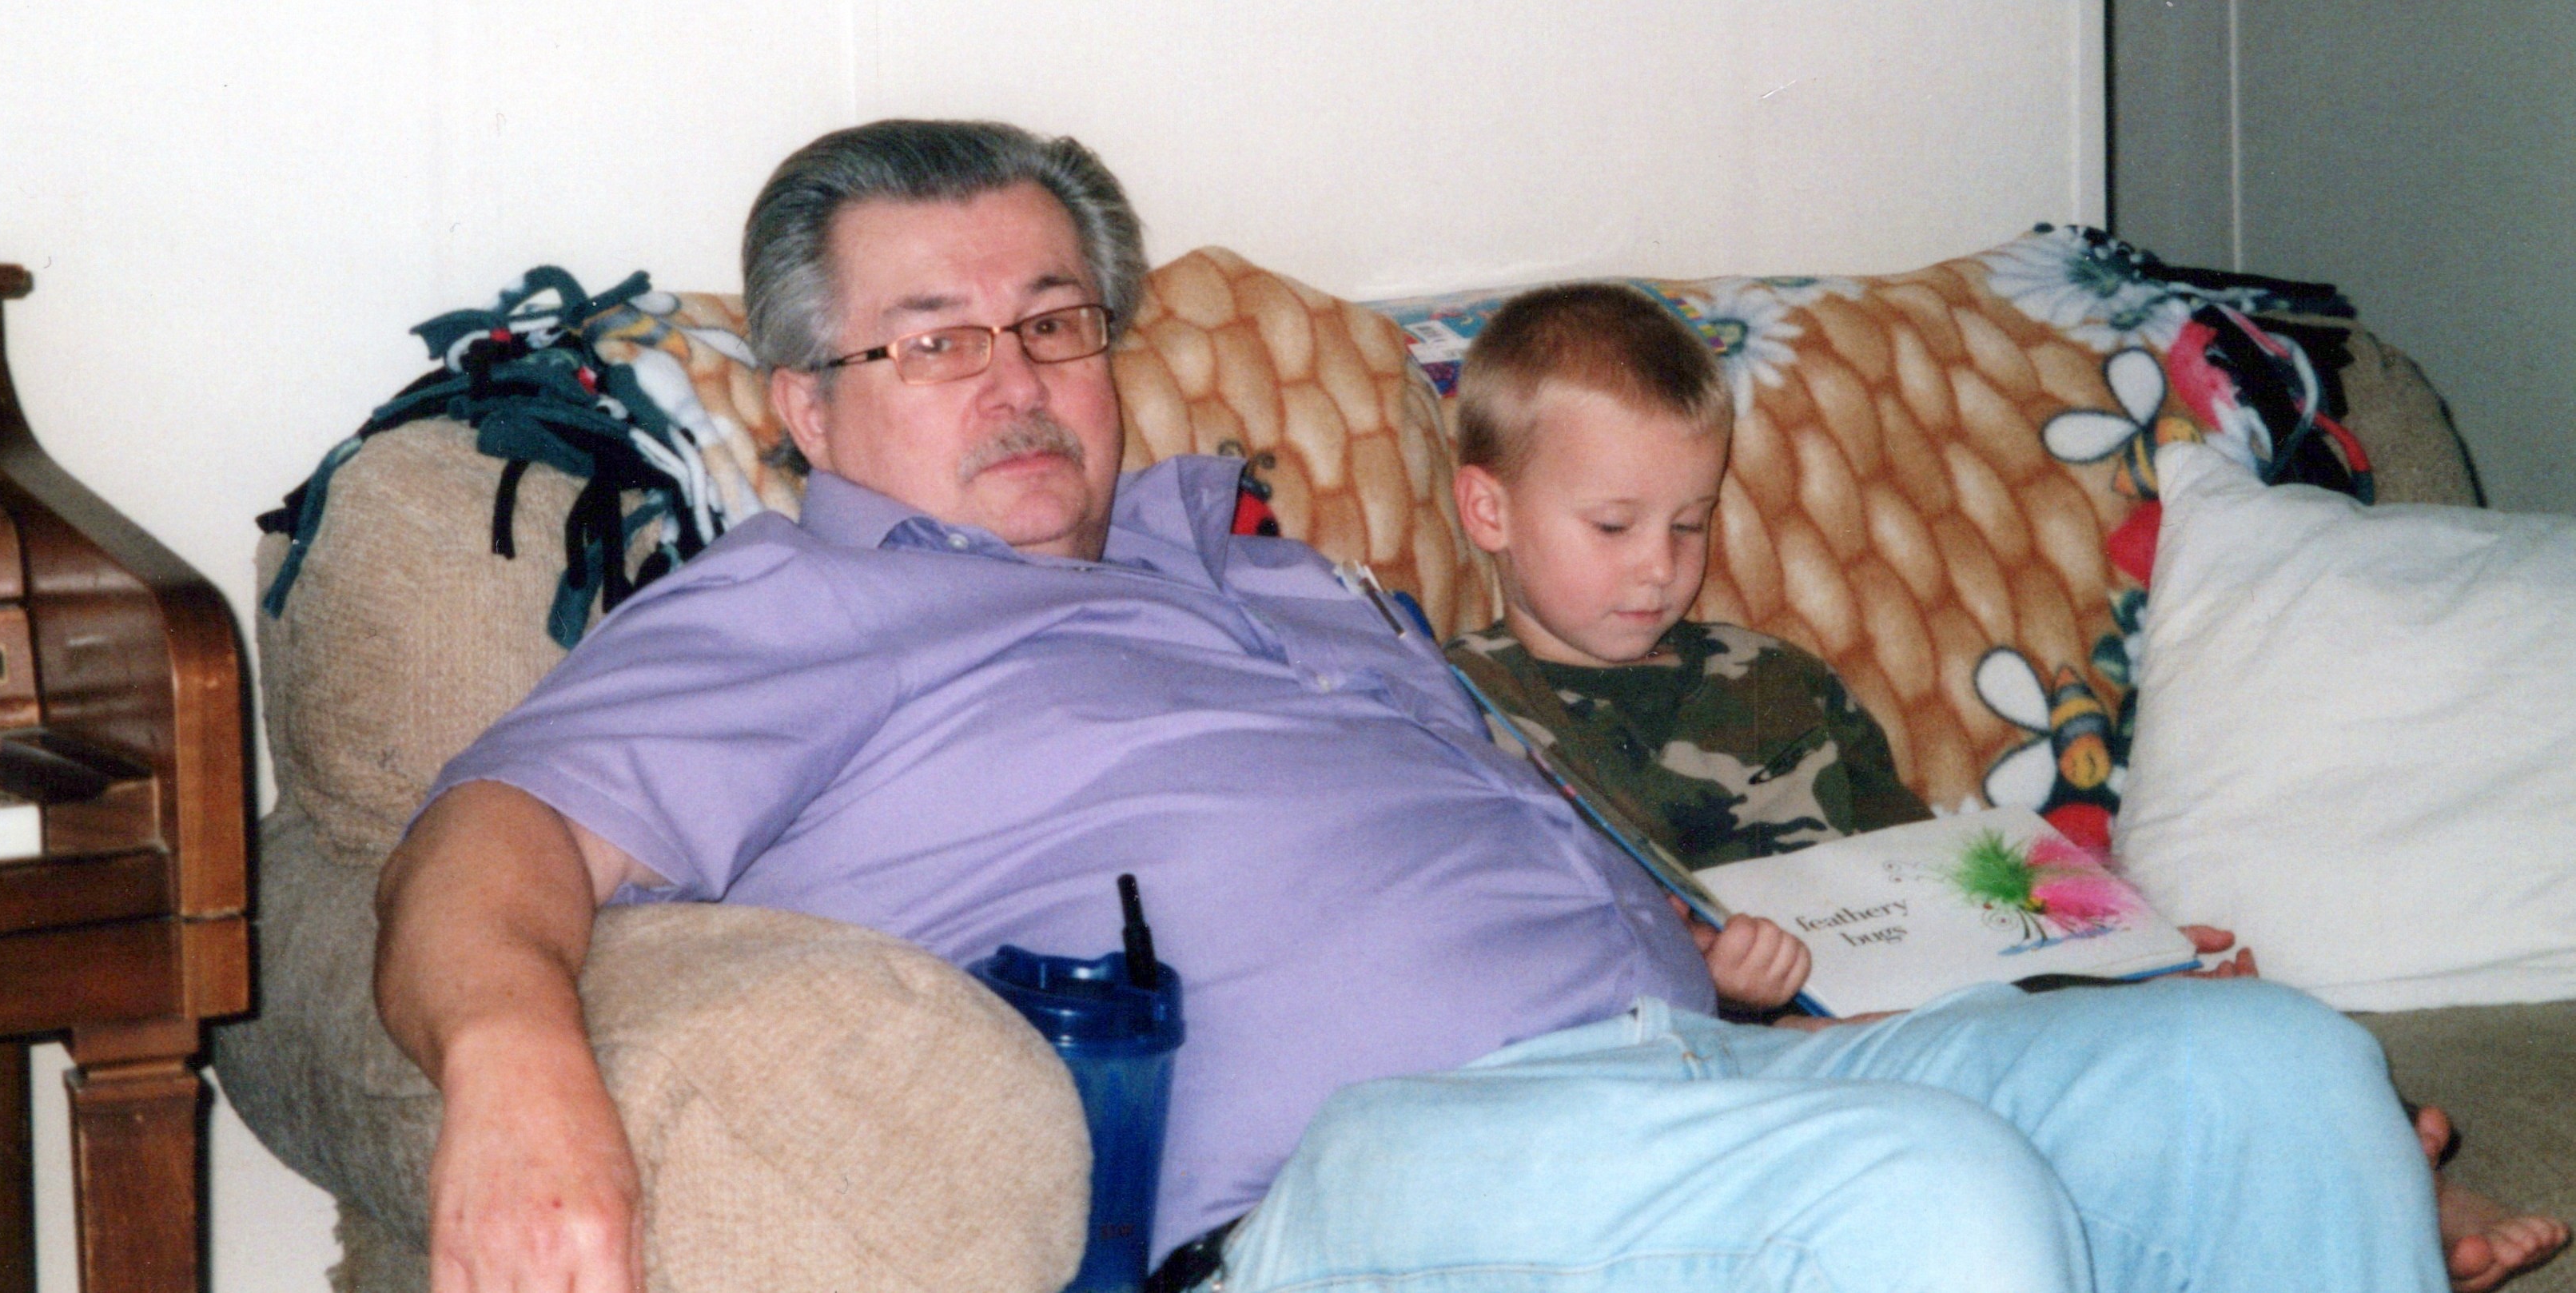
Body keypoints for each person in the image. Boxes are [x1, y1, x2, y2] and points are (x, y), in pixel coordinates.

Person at [376, 117, 2457, 1293]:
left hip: (1685, 1071)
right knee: (1927, 1198)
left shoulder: (1264, 557)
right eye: (933, 340)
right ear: (802, 405)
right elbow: (488, 842)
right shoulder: (788, 604)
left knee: (2269, 1075)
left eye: (1052, 322)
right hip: (1344, 1174)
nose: (1015, 378)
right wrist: (514, 1061)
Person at [1441, 278, 2568, 1293]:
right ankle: (2350, 1177)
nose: (1659, 565)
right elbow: (1507, 964)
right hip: (1754, 1064)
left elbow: (1924, 877)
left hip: (1930, 1010)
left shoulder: (1771, 679)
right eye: (1614, 525)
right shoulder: (1459, 710)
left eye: (1690, 525)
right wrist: (1708, 974)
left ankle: (2365, 1169)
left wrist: (2106, 940)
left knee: (2234, 1018)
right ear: (1487, 510)